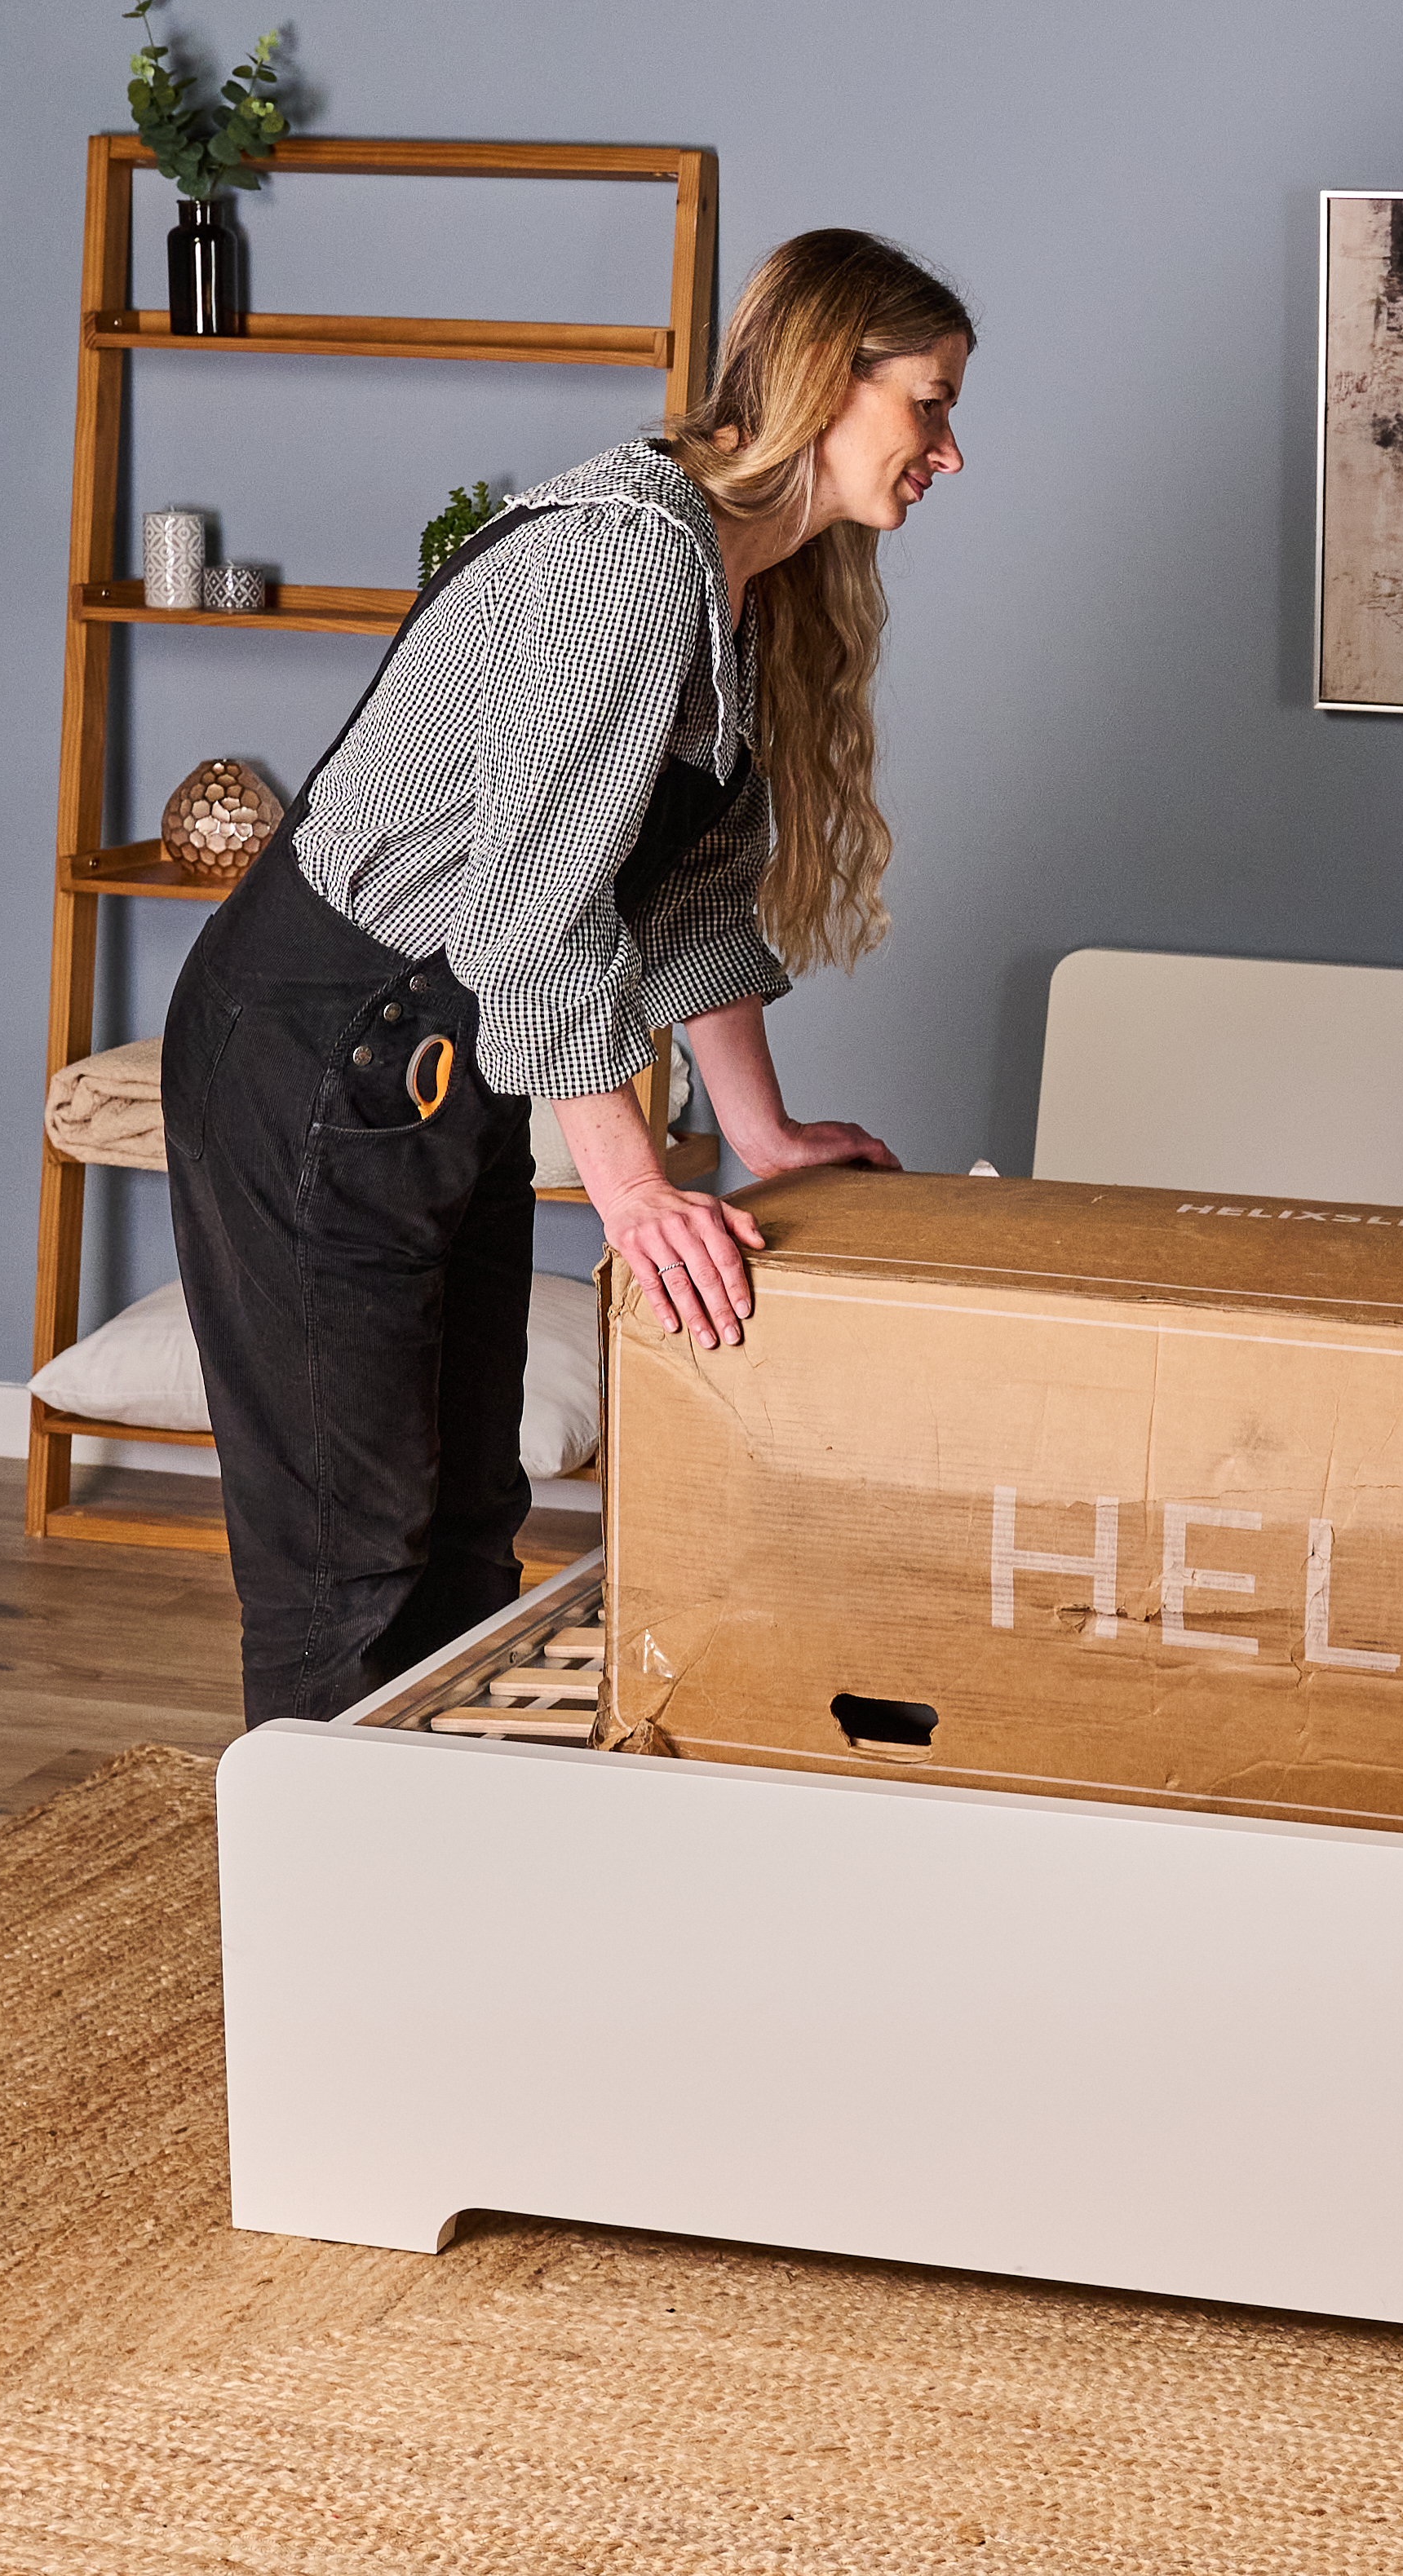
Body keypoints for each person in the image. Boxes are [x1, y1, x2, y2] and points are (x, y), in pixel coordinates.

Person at [161, 230, 976, 1728]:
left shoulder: (745, 587)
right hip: (308, 1058)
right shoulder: (625, 556)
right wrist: (633, 1194)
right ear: (825, 378)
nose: (949, 448)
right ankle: (334, 1929)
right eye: (928, 401)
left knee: (467, 1514)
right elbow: (535, 916)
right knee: (347, 1559)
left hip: (439, 1070)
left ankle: (453, 1885)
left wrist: (763, 1137)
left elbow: (689, 899)